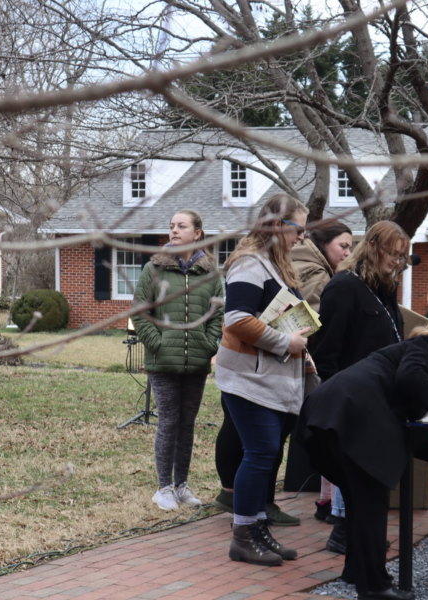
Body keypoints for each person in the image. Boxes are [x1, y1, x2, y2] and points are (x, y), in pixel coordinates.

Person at [298, 321, 428, 600]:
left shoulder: (412, 362)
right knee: (372, 504)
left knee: (359, 502)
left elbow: (407, 430)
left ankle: (356, 572)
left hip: (333, 416)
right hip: (350, 416)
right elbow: (410, 377)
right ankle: (375, 586)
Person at [215, 193, 310, 566]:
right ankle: (242, 536)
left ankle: (257, 531)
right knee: (259, 454)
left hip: (272, 378)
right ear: (276, 225)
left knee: (265, 454)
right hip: (247, 379)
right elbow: (237, 319)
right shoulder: (250, 265)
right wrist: (288, 342)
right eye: (298, 229)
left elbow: (285, 319)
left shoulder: (274, 265)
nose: (301, 237)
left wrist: (304, 352)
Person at [311, 220, 410, 553]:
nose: (397, 262)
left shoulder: (384, 288)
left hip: (382, 396)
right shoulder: (343, 287)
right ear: (373, 248)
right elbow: (326, 350)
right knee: (356, 467)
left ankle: (357, 532)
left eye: (402, 257)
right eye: (393, 254)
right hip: (353, 395)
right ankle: (344, 531)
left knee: (371, 471)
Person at [132, 210, 224, 511]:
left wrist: (209, 345)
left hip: (196, 362)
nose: (174, 230)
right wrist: (157, 344)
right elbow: (139, 311)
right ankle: (164, 488)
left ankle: (182, 484)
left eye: (181, 226)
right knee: (169, 422)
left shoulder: (210, 273)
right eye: (171, 225)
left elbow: (217, 314)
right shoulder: (154, 268)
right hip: (163, 362)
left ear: (197, 233)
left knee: (187, 423)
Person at [290, 220, 353, 521]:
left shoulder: (300, 261)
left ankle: (326, 501)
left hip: (294, 360)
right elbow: (319, 322)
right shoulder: (317, 273)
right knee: (330, 434)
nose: (346, 253)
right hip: (308, 362)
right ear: (323, 243)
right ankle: (330, 505)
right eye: (343, 246)